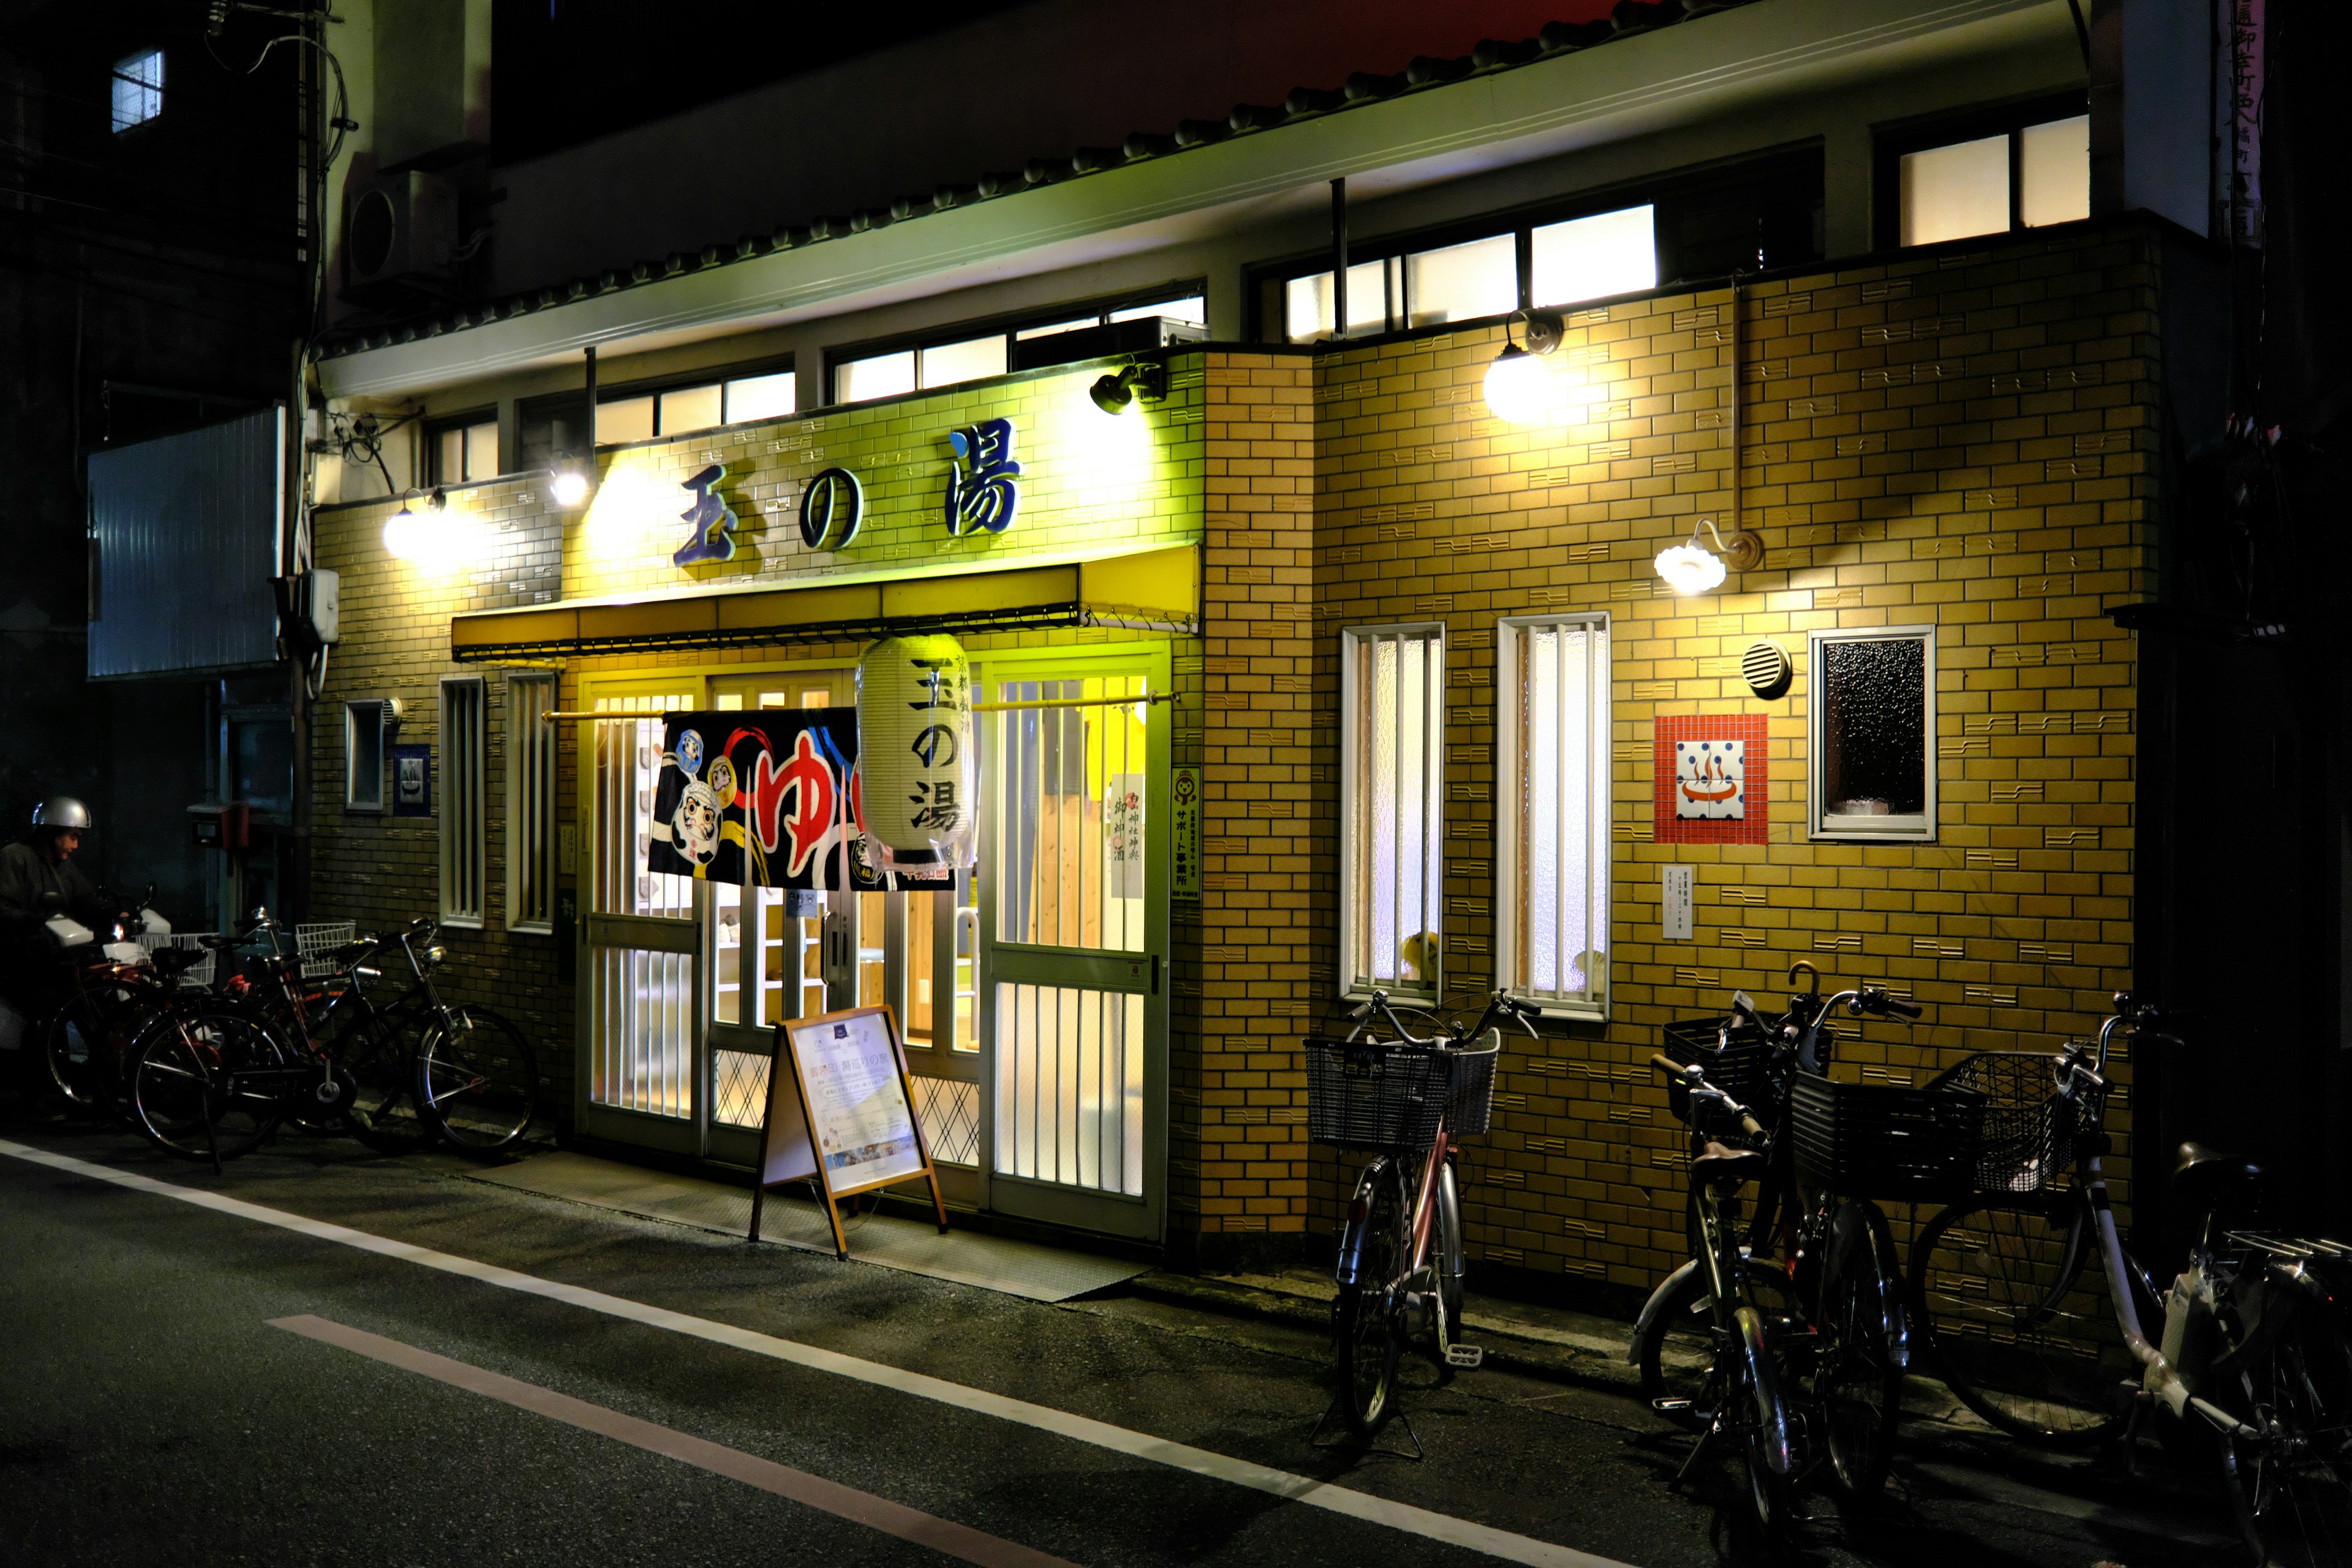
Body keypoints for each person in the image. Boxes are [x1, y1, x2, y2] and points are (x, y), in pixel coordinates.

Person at [0, 796, 112, 1111]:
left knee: (94, 998)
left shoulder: (61, 866)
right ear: (51, 832)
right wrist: (32, 920)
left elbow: (85, 900)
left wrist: (115, 915)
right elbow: (2, 907)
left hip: (51, 959)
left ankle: (102, 1084)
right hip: (17, 960)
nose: (76, 846)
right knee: (48, 1009)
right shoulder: (15, 858)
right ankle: (36, 1096)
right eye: (73, 836)